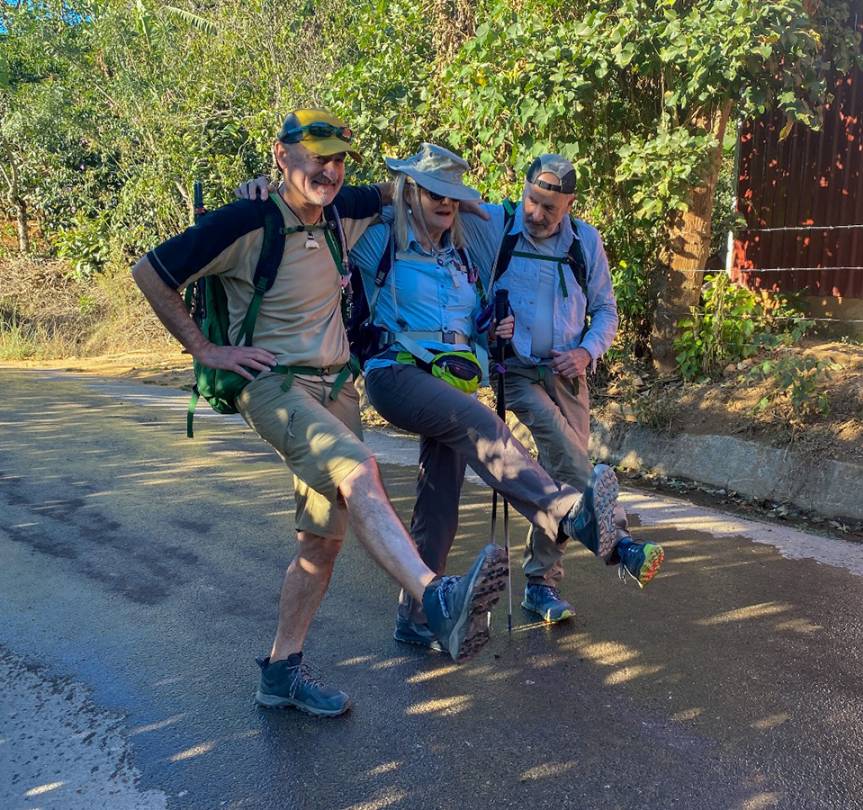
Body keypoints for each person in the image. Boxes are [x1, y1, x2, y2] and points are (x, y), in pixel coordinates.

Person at [131, 110, 519, 718]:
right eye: (316, 157)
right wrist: (206, 350)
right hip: (274, 386)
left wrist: (457, 197)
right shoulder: (246, 220)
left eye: (338, 158)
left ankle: (281, 672)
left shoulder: (344, 210)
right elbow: (150, 272)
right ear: (281, 156)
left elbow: (403, 188)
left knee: (321, 544)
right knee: (359, 469)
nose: (330, 170)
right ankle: (436, 600)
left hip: (337, 387)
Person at [346, 144, 626, 649]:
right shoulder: (377, 238)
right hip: (397, 374)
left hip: (457, 381)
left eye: (454, 194)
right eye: (433, 191)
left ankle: (416, 614)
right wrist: (266, 192)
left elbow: (478, 319)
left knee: (439, 504)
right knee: (480, 424)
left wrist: (492, 331)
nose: (446, 202)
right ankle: (567, 512)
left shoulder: (463, 253)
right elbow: (319, 211)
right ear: (410, 190)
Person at [456, 154, 664, 624]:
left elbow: (606, 312)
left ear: (569, 204)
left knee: (563, 478)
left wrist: (587, 352)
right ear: (523, 189)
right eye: (532, 200)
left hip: (569, 374)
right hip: (518, 372)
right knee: (569, 456)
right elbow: (437, 211)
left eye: (550, 207)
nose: (536, 213)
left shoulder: (586, 243)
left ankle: (540, 585)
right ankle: (622, 544)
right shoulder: (495, 223)